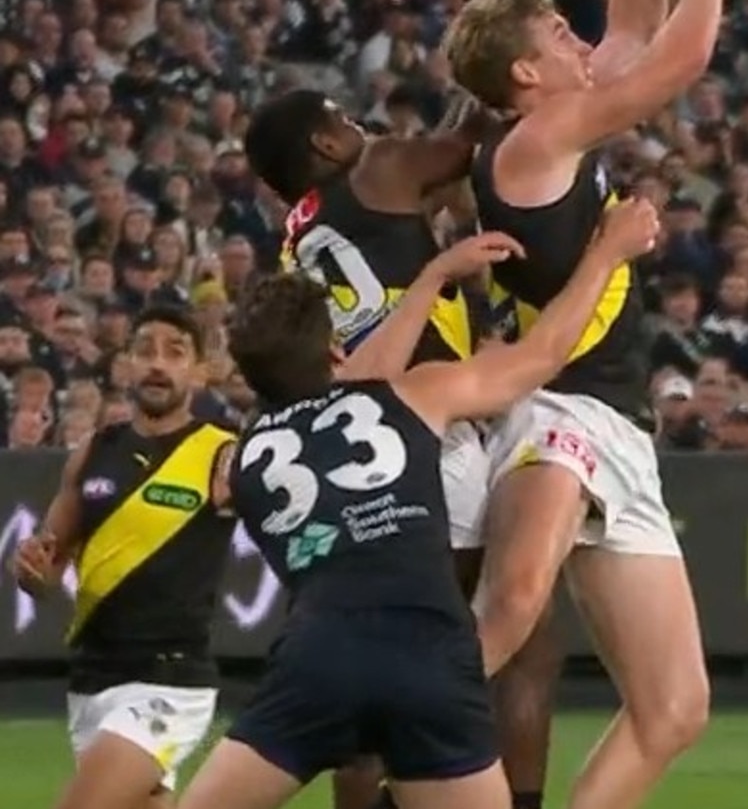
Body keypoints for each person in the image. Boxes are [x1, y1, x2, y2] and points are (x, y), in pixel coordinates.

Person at [178, 199, 660, 809]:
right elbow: (542, 357)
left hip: (316, 662)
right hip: (430, 660)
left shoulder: (240, 462)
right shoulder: (414, 395)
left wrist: (432, 280)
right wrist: (607, 253)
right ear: (334, 350)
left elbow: (341, 387)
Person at [443, 0, 723, 809]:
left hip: (614, 425)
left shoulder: (547, 127)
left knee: (676, 706)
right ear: (526, 69)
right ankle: (394, 724)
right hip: (560, 409)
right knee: (512, 606)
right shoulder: (538, 137)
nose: (581, 41)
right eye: (562, 33)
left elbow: (637, 28)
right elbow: (679, 53)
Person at [246, 88, 557, 809]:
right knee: (526, 646)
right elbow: (459, 150)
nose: (366, 128)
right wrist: (480, 78)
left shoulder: (300, 234)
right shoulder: (378, 167)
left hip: (355, 440)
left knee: (368, 670)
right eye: (346, 121)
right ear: (325, 145)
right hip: (427, 428)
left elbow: (436, 173)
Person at [12, 305, 237, 809]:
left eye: (175, 352)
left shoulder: (224, 453)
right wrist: (30, 569)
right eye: (145, 350)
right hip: (92, 678)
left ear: (201, 371)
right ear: (126, 365)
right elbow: (47, 565)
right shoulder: (94, 451)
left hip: (169, 679)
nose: (157, 363)